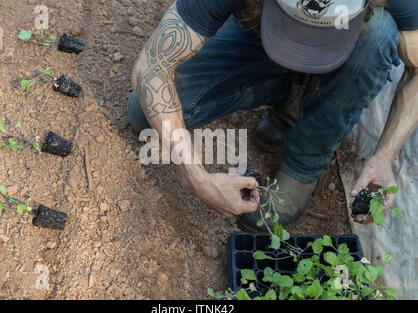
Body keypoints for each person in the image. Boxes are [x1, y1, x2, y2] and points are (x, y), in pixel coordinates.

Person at [127, 0, 418, 232]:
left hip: (349, 43)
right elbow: (152, 67)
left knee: (379, 33)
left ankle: (303, 166)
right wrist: (197, 177)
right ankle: (291, 89)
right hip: (259, 38)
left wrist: (384, 156)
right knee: (143, 115)